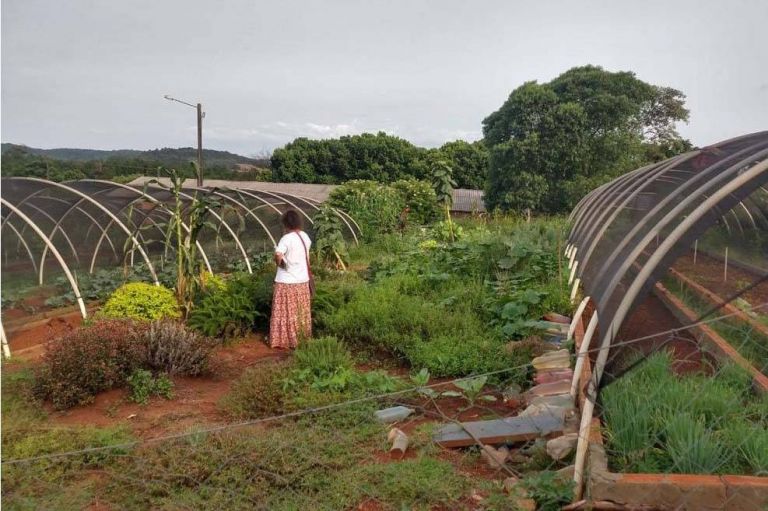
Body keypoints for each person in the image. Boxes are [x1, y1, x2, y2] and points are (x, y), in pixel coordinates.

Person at [269, 210, 312, 349]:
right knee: (300, 312)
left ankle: (284, 340)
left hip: (287, 282)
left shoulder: (286, 239)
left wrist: (279, 262)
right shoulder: (305, 236)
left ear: (286, 224)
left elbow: (278, 255)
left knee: (285, 312)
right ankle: (301, 338)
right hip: (302, 281)